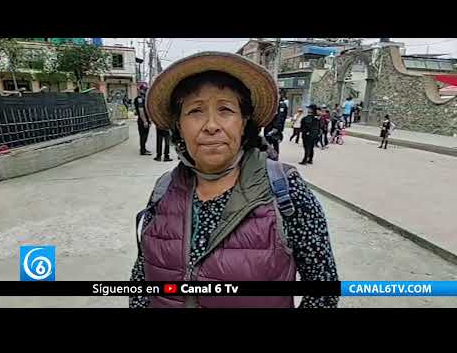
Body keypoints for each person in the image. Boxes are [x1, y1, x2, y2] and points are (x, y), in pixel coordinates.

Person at [129, 52, 339, 308]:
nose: (211, 125)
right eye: (195, 111)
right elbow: (142, 278)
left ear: (244, 122)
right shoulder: (164, 189)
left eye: (225, 110)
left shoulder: (286, 191)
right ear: (179, 126)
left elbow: (323, 292)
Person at [134, 89, 151, 155]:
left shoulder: (142, 98)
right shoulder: (139, 99)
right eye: (144, 90)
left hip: (144, 119)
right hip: (142, 120)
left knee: (144, 135)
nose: (145, 91)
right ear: (140, 90)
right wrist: (145, 121)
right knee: (143, 136)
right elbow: (141, 111)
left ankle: (143, 149)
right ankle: (143, 151)